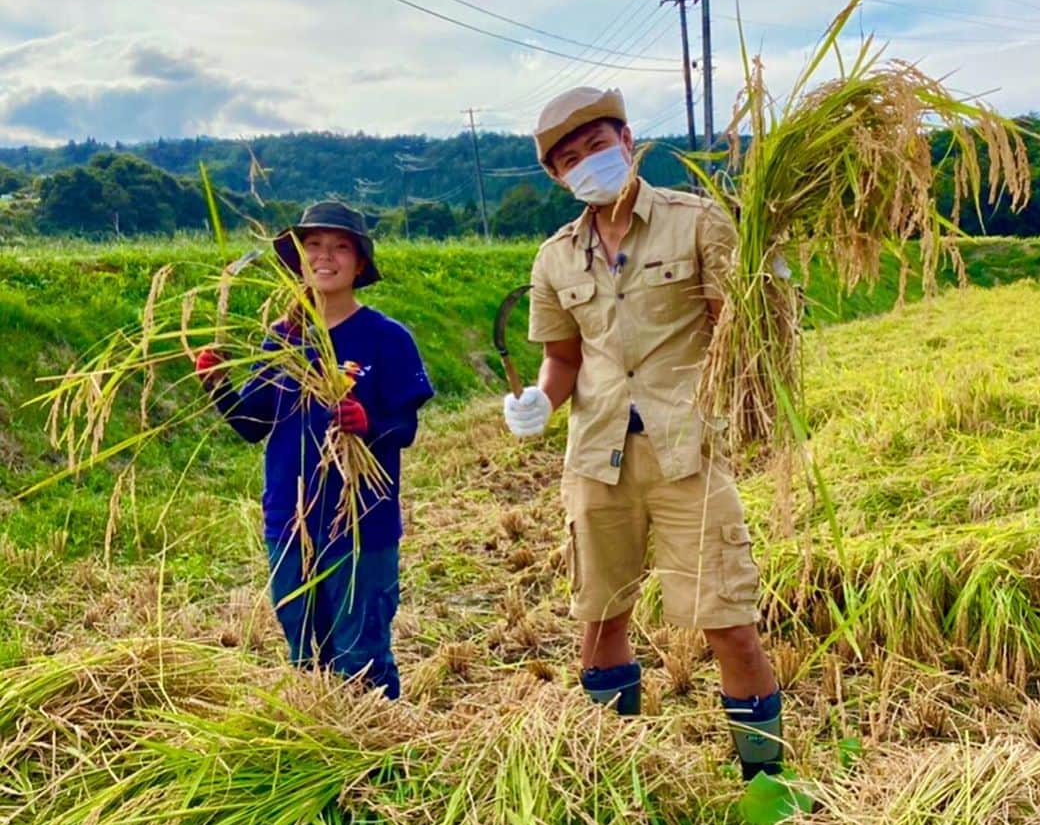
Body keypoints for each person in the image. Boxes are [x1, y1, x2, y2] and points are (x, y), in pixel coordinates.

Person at [503, 87, 784, 779]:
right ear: (558, 177)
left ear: (627, 141)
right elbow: (564, 357)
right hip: (596, 456)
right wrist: (540, 400)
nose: (587, 164)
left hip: (688, 449)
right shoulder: (555, 259)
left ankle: (764, 780)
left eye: (595, 146)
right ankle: (618, 773)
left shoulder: (698, 223)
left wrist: (770, 286)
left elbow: (737, 331)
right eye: (569, 159)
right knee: (599, 619)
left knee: (728, 620)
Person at [193, 200, 434, 698]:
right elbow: (251, 425)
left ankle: (378, 763)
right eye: (314, 246)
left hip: (360, 523)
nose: (326, 257)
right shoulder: (282, 339)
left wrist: (368, 425)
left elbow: (404, 427)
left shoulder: (387, 338)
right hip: (291, 522)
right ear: (299, 260)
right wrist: (217, 384)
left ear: (360, 262)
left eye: (340, 247)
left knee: (361, 659)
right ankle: (323, 756)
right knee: (307, 659)